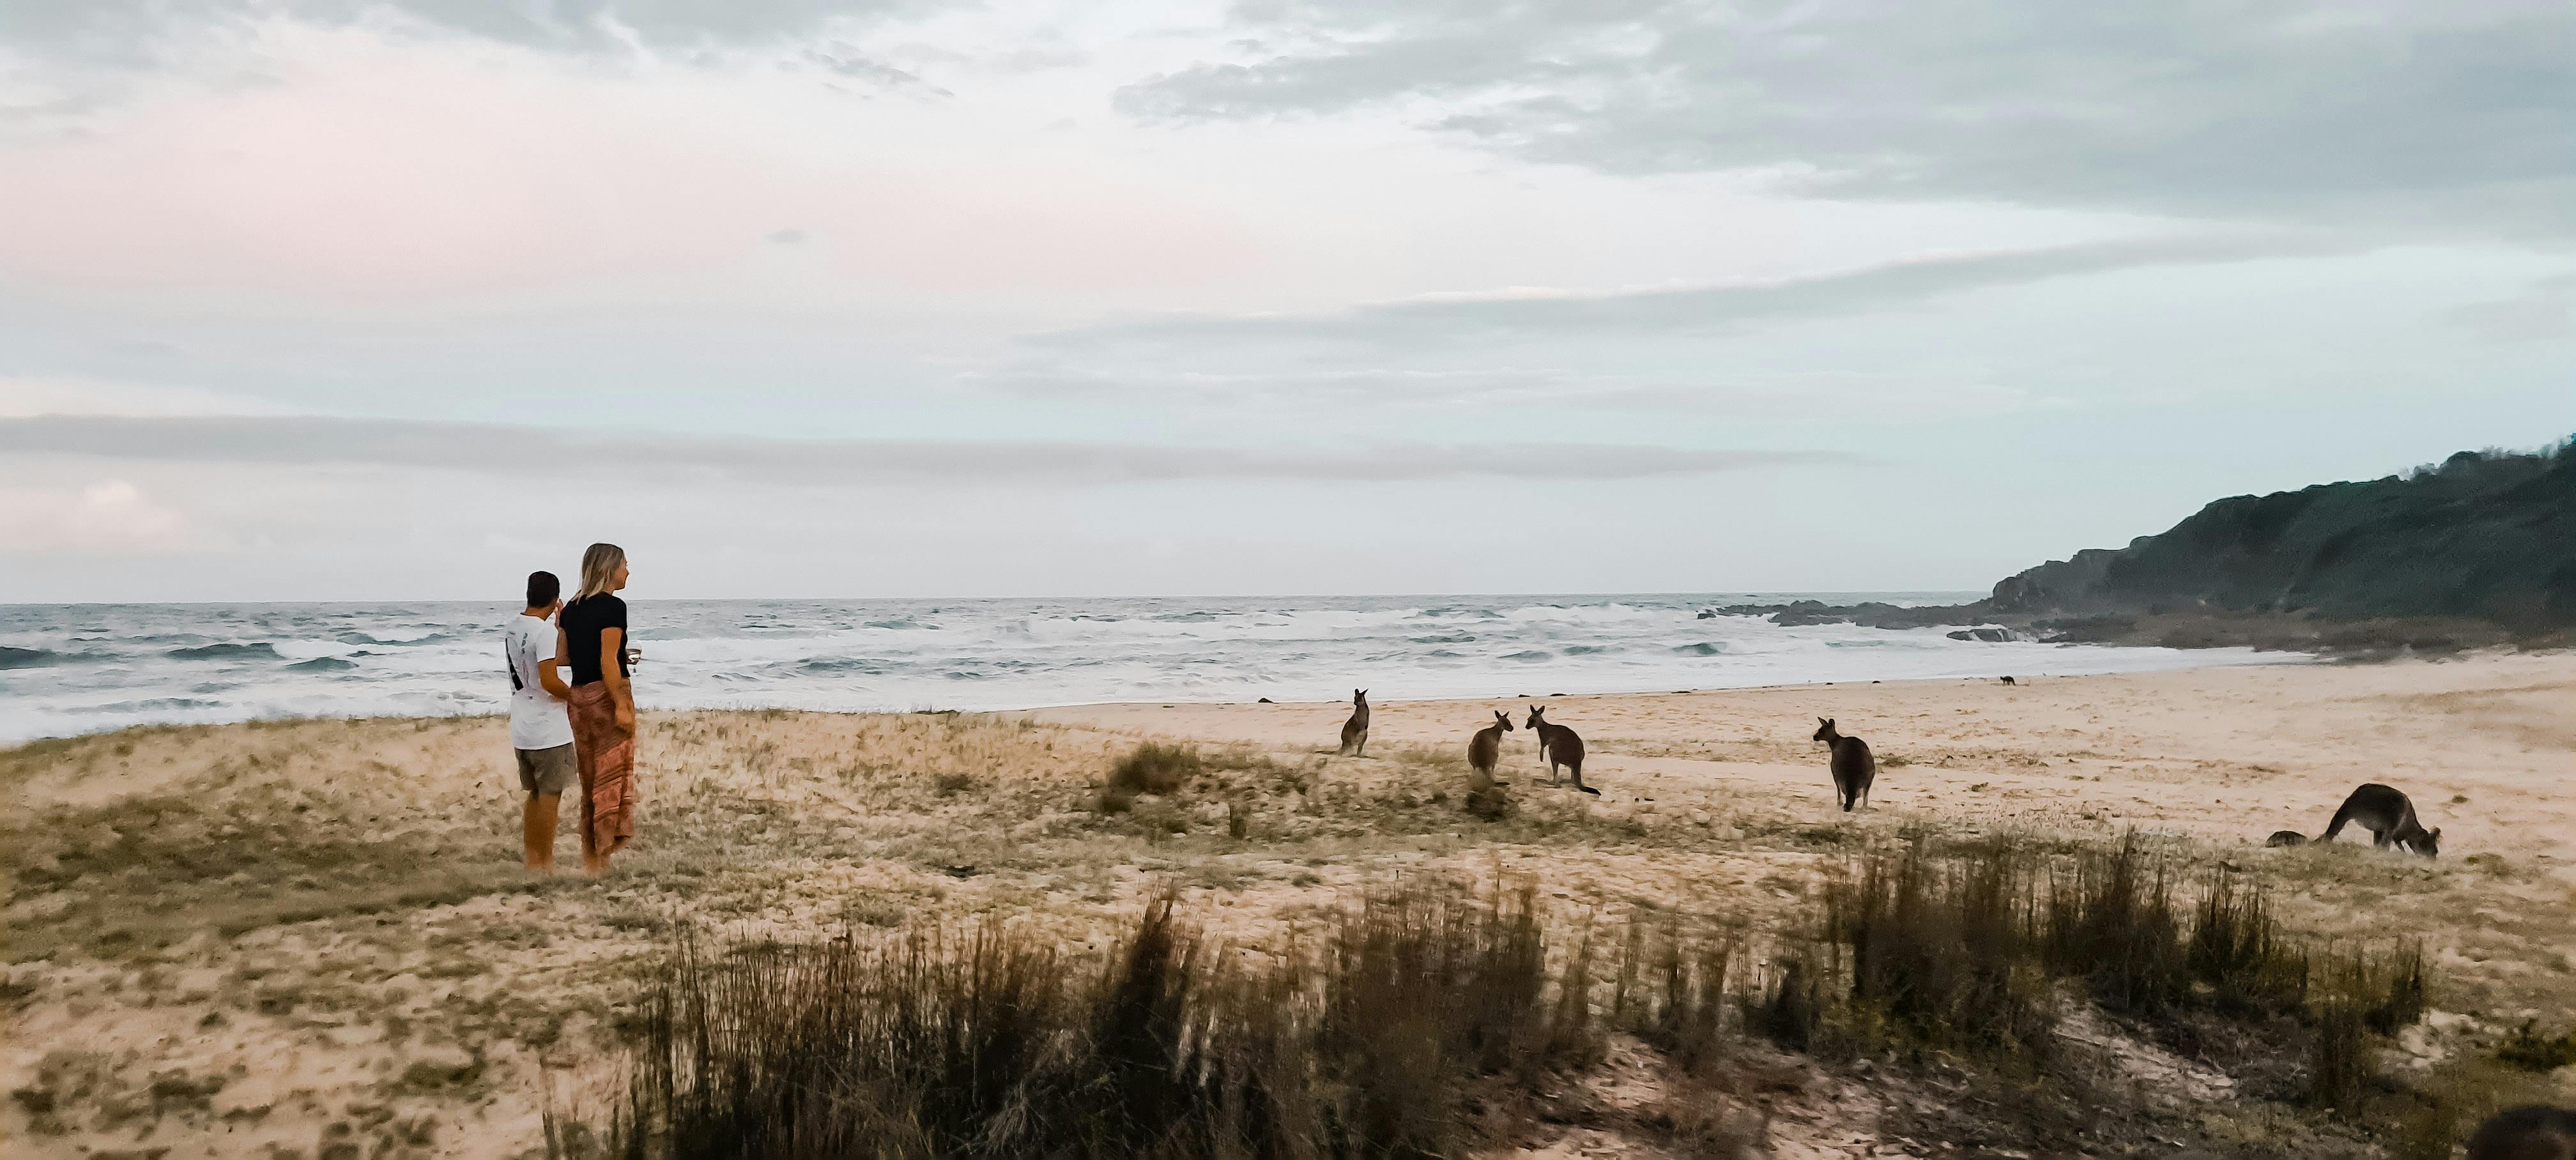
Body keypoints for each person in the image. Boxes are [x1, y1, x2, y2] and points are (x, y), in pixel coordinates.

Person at [560, 542, 638, 876]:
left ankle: (592, 861)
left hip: (579, 699)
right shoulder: (613, 607)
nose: (628, 571)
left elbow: (564, 658)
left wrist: (620, 654)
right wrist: (621, 704)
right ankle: (602, 860)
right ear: (609, 568)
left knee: (591, 778)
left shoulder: (573, 608)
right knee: (611, 779)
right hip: (606, 697)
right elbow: (607, 661)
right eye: (624, 565)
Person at [503, 571, 575, 871]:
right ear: (555, 598)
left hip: (522, 723)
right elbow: (549, 679)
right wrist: (576, 697)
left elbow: (549, 661)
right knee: (550, 794)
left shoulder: (513, 627)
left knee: (534, 794)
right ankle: (545, 861)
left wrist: (561, 630)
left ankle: (533, 858)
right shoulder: (544, 633)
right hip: (547, 728)